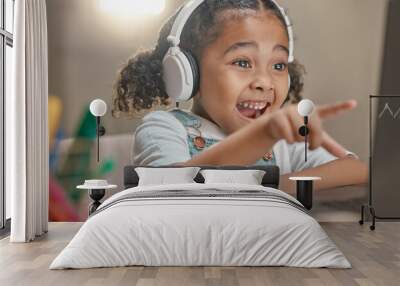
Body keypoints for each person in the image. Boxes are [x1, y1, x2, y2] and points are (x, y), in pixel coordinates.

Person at [111, 0, 368, 194]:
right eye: (242, 62)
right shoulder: (163, 128)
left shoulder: (282, 142)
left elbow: (357, 171)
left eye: (278, 65)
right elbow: (176, 189)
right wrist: (263, 136)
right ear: (188, 73)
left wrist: (270, 185)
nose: (264, 82)